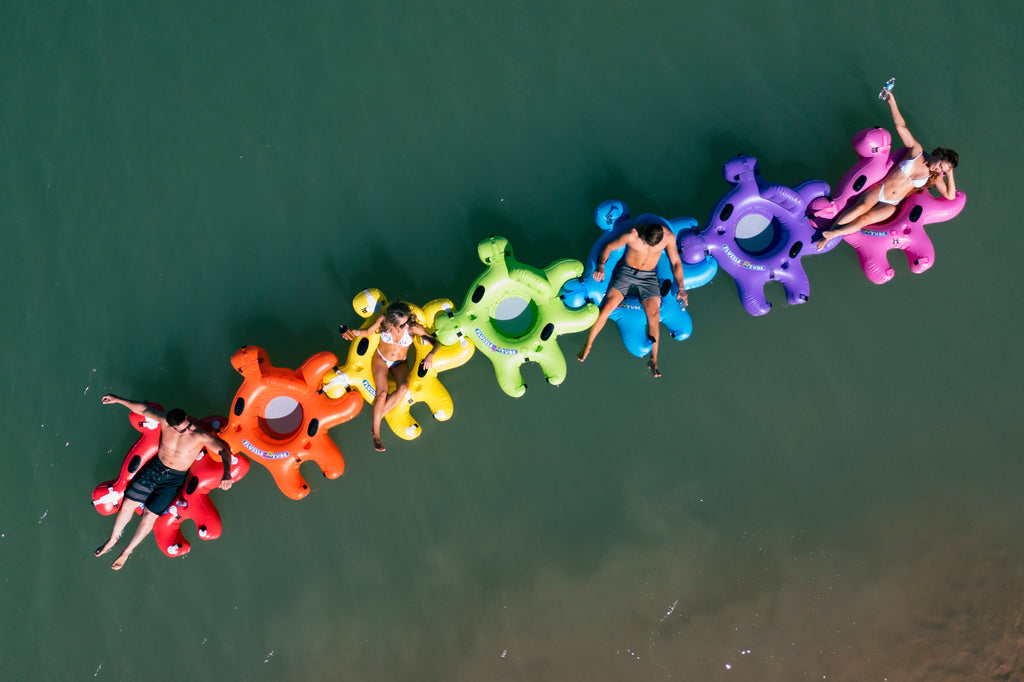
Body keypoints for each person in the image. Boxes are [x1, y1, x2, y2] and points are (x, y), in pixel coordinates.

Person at [94, 395, 234, 570]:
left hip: (173, 479)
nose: (187, 429)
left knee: (149, 515)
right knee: (129, 503)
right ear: (172, 425)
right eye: (182, 429)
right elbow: (142, 409)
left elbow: (223, 451)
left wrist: (226, 474)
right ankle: (113, 539)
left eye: (188, 424)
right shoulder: (165, 421)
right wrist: (117, 400)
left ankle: (126, 552)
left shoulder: (198, 435)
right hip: (155, 468)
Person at [817, 90, 958, 250]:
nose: (938, 169)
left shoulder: (935, 176)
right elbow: (901, 126)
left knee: (864, 220)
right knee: (859, 208)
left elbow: (950, 195)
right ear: (938, 154)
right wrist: (892, 101)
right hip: (881, 189)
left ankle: (833, 235)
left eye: (942, 170)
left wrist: (950, 172)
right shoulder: (916, 151)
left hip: (892, 204)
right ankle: (828, 232)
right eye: (940, 165)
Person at [576, 222, 687, 377]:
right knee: (608, 307)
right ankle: (588, 345)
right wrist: (601, 265)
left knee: (654, 317)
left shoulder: (668, 236)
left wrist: (681, 288)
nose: (647, 247)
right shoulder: (632, 234)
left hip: (649, 276)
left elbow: (675, 262)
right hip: (626, 271)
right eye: (645, 243)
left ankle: (653, 359)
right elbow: (608, 247)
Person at [341, 301, 437, 452]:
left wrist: (430, 355)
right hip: (381, 360)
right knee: (381, 394)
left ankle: (376, 422)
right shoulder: (383, 321)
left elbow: (435, 342)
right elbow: (367, 332)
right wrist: (353, 332)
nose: (405, 326)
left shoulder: (412, 327)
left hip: (399, 362)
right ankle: (376, 436)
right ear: (391, 322)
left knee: (404, 387)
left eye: (406, 321)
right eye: (401, 324)